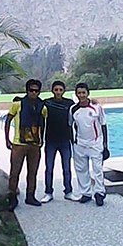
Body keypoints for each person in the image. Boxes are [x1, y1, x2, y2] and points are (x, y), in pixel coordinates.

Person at [4, 79, 47, 212]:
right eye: (31, 90)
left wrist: (42, 140)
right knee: (15, 171)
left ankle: (30, 195)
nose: (33, 93)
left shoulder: (43, 107)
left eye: (36, 90)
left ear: (39, 92)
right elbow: (8, 120)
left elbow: (43, 124)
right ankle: (12, 197)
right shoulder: (17, 105)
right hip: (19, 143)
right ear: (27, 90)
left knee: (32, 172)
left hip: (35, 144)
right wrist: (7, 139)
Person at [69, 83, 110, 207]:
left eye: (83, 92)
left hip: (95, 144)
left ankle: (99, 193)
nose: (81, 95)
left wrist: (105, 145)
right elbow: (70, 125)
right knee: (81, 170)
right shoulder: (73, 109)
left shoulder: (96, 107)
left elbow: (103, 125)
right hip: (80, 144)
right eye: (79, 93)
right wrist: (74, 142)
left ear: (88, 93)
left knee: (97, 170)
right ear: (76, 94)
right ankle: (86, 193)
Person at [41, 81, 79, 203]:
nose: (58, 92)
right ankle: (48, 192)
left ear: (64, 91)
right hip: (50, 140)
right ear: (52, 90)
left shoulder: (70, 104)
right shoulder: (47, 102)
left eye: (60, 90)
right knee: (49, 168)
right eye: (56, 90)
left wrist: (94, 102)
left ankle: (68, 192)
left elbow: (80, 112)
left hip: (65, 140)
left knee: (67, 168)